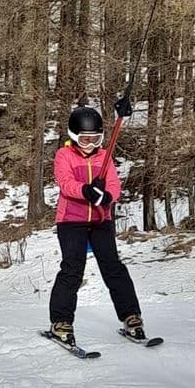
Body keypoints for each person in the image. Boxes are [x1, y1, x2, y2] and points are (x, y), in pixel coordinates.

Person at [48, 106, 145, 347]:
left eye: (95, 139)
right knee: (72, 269)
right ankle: (60, 322)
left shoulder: (105, 157)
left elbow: (113, 185)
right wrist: (85, 190)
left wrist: (106, 197)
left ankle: (131, 316)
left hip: (101, 220)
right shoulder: (64, 155)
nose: (90, 145)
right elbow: (65, 183)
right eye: (84, 139)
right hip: (71, 220)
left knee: (113, 266)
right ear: (73, 136)